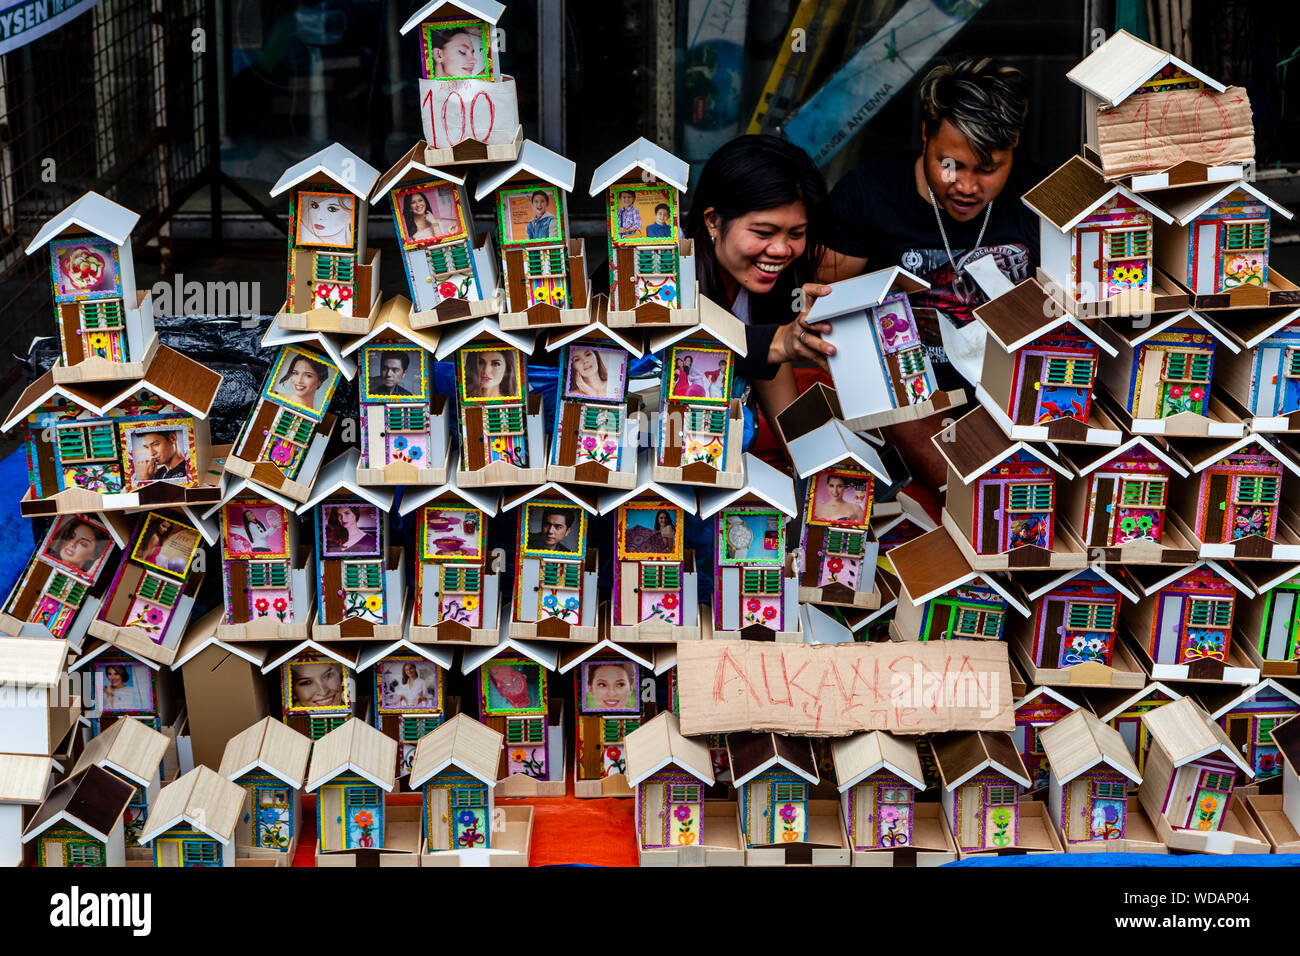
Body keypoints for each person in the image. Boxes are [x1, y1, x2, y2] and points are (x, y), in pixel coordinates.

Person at [817, 57, 1037, 488]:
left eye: (988, 169)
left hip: (1012, 408)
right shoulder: (867, 196)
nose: (968, 186)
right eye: (950, 165)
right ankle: (971, 507)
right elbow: (828, 312)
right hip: (906, 415)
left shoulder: (1036, 200)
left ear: (1013, 152)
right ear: (924, 135)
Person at [685, 134, 835, 435]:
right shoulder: (659, 270)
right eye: (764, 232)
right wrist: (779, 341)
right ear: (713, 221)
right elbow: (687, 341)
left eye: (796, 233)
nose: (781, 250)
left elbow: (790, 424)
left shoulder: (766, 285)